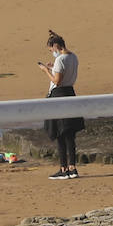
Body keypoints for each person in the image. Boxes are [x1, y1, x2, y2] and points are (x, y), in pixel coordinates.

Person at [37, 31, 85, 180]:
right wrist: (53, 68)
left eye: (51, 50)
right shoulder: (73, 57)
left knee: (60, 133)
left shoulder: (60, 60)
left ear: (56, 46)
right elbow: (64, 75)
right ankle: (71, 167)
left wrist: (46, 70)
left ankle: (65, 168)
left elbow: (57, 81)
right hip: (70, 92)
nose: (52, 52)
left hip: (59, 94)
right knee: (69, 134)